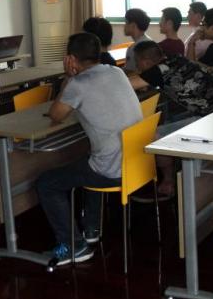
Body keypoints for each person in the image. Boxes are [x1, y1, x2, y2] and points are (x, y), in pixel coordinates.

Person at [35, 33, 142, 265]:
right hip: (136, 163)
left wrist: (68, 77)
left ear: (71, 59)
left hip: (111, 170)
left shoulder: (78, 84)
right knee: (90, 159)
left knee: (46, 183)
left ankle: (75, 246)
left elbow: (56, 115)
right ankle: (91, 229)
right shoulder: (116, 72)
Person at [130, 40, 213, 196]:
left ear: (145, 62)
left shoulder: (158, 71)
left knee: (155, 135)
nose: (137, 67)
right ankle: (174, 169)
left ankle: (168, 181)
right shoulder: (175, 58)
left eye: (137, 63)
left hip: (209, 121)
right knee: (170, 120)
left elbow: (127, 85)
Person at [122, 8, 151, 72]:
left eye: (126, 22)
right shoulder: (150, 42)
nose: (124, 26)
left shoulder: (134, 48)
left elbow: (129, 72)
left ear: (133, 25)